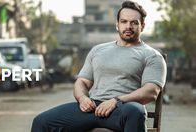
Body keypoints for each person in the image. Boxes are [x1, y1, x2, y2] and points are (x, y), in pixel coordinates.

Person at [31, 1, 167, 132]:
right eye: (124, 21)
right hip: (92, 109)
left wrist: (116, 101)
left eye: (134, 23)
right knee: (41, 122)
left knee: (136, 112)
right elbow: (82, 82)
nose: (128, 26)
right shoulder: (98, 50)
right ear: (117, 24)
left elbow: (150, 92)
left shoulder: (152, 56)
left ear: (142, 26)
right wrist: (83, 98)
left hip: (123, 109)